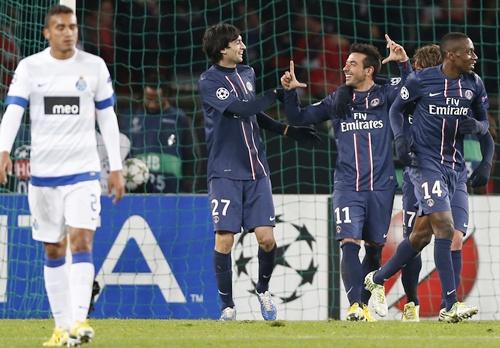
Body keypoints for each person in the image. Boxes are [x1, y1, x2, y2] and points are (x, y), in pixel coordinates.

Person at [0, 5, 125, 346]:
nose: (68, 32)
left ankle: (80, 321)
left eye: (71, 26)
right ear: (47, 32)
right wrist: (3, 151)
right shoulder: (30, 68)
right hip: (42, 177)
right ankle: (61, 327)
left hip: (83, 173)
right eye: (60, 27)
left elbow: (108, 118)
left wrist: (115, 167)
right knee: (54, 250)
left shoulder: (94, 66)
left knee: (81, 241)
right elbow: (13, 112)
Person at [280, 35, 412, 321]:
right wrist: (290, 92)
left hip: (382, 186)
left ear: (369, 70)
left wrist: (404, 63)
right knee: (349, 242)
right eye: (346, 63)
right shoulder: (338, 98)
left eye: (353, 64)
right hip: (347, 185)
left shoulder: (386, 95)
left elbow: (411, 90)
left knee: (374, 251)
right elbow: (299, 118)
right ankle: (354, 306)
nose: (345, 68)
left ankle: (364, 302)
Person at [365, 32, 492, 323]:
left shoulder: (474, 85)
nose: (474, 57)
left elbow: (485, 124)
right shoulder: (422, 80)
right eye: (469, 52)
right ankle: (450, 305)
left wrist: (484, 153)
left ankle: (377, 278)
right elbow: (396, 110)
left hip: (456, 171)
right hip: (424, 165)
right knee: (445, 228)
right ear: (452, 55)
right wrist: (400, 139)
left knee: (424, 236)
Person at [198, 23, 319, 321]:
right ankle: (227, 307)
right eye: (237, 42)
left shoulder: (248, 73)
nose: (242, 46)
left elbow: (255, 114)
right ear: (222, 48)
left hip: (256, 169)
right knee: (225, 240)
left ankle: (262, 291)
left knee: (267, 239)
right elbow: (239, 109)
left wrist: (289, 130)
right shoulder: (209, 80)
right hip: (225, 171)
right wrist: (276, 93)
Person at [398, 44, 495, 322]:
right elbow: (388, 93)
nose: (417, 76)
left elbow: (484, 131)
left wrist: (485, 161)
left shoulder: (458, 94)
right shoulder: (410, 93)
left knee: (451, 234)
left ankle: (449, 304)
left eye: (420, 70)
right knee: (414, 240)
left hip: (448, 175)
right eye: (415, 71)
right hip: (416, 177)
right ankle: (411, 303)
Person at [122, 79, 198, 193]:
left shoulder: (179, 118)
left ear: (165, 97)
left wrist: (188, 185)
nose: (152, 103)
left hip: (172, 190)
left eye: (156, 99)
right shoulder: (130, 118)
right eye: (148, 98)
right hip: (138, 190)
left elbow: (192, 154)